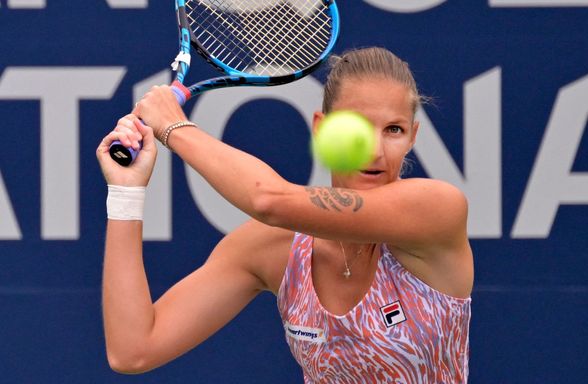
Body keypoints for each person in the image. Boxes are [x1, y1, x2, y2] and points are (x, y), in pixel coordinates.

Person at [96, 47, 474, 383]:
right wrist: (126, 192)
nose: (375, 150)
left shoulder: (436, 211)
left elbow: (269, 201)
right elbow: (133, 350)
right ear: (322, 129)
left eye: (394, 129)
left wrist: (172, 126)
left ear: (412, 136)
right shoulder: (272, 249)